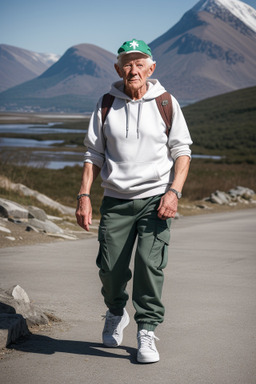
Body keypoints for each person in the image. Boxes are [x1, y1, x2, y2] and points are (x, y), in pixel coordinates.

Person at [76, 39, 192, 363]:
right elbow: (93, 153)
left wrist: (174, 191)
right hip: (115, 200)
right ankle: (116, 311)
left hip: (156, 199)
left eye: (140, 63)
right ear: (118, 69)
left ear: (151, 69)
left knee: (149, 265)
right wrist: (84, 195)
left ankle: (147, 329)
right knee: (109, 268)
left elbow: (182, 151)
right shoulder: (106, 103)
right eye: (127, 63)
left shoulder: (166, 103)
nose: (134, 69)